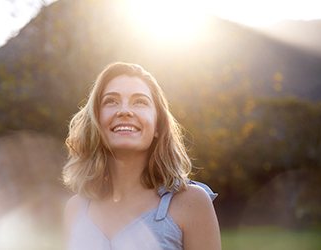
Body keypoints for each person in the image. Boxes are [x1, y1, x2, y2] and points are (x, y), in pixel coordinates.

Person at [63, 62, 221, 250]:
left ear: (157, 126)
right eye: (111, 101)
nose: (124, 111)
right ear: (96, 121)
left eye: (140, 102)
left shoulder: (191, 202)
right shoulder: (76, 209)